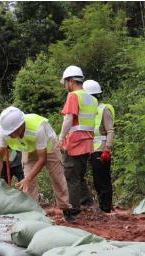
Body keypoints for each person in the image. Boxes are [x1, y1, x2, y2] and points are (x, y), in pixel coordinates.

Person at [0, 106, 74, 221]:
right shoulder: (4, 132)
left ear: (20, 126)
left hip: (49, 147)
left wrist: (28, 178)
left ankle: (65, 209)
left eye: (12, 132)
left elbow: (42, 159)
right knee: (28, 185)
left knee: (57, 178)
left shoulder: (37, 128)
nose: (9, 135)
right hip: (29, 149)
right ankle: (32, 213)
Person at [58, 65, 98, 216]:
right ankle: (87, 201)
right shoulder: (92, 99)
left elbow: (69, 118)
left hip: (74, 143)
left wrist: (61, 137)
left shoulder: (73, 96)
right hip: (87, 142)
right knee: (79, 175)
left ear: (71, 81)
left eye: (66, 82)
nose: (66, 86)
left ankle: (73, 210)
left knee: (71, 176)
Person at [83, 79, 114, 213]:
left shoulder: (104, 109)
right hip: (91, 149)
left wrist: (107, 148)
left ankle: (106, 208)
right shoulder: (88, 110)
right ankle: (103, 206)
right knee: (97, 180)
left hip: (101, 149)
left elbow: (110, 130)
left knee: (103, 180)